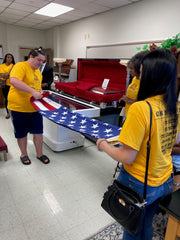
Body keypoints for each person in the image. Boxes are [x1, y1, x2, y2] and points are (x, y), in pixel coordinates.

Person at [96, 49, 180, 240]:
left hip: (140, 182)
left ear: (150, 75)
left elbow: (127, 156)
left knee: (131, 226)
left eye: (141, 72)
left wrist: (104, 146)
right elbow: (174, 141)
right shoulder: (175, 106)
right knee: (146, 222)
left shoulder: (140, 108)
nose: (138, 76)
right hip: (165, 178)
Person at [8, 48, 50, 165]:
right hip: (19, 107)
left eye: (43, 61)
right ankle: (24, 154)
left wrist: (40, 92)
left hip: (35, 108)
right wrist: (33, 92)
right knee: (21, 133)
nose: (41, 63)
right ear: (31, 56)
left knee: (38, 132)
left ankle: (39, 154)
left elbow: (37, 87)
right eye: (39, 60)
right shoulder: (20, 66)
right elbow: (14, 81)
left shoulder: (37, 72)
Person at [120, 51, 149, 116]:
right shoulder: (134, 79)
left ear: (139, 68)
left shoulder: (146, 83)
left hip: (138, 115)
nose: (130, 70)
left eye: (132, 68)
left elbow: (146, 106)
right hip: (129, 112)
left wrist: (129, 100)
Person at [0, 53, 15, 119]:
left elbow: (14, 75)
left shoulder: (14, 66)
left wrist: (6, 75)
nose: (9, 59)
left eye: (11, 57)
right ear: (5, 58)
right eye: (8, 57)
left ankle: (13, 111)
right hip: (4, 85)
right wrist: (6, 75)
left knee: (12, 99)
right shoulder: (2, 66)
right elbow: (2, 75)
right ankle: (8, 113)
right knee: (6, 99)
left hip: (12, 85)